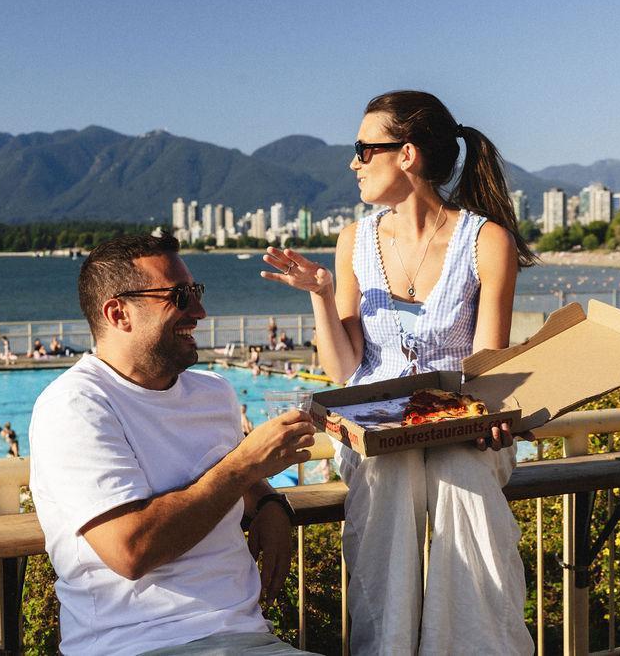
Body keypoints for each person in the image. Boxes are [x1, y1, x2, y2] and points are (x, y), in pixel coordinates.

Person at [261, 90, 537, 654]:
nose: (353, 162)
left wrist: (480, 419)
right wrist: (321, 293)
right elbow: (344, 369)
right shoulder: (354, 241)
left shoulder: (486, 241)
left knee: (461, 477)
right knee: (392, 474)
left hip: (461, 424)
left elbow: (486, 365)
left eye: (363, 149)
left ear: (406, 154)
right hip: (376, 428)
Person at [29, 234, 318, 655]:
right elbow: (131, 551)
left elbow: (216, 467)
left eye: (196, 292)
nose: (199, 311)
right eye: (179, 296)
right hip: (137, 643)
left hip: (246, 637)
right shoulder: (75, 406)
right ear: (118, 312)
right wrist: (245, 466)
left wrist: (270, 503)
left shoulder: (214, 393)